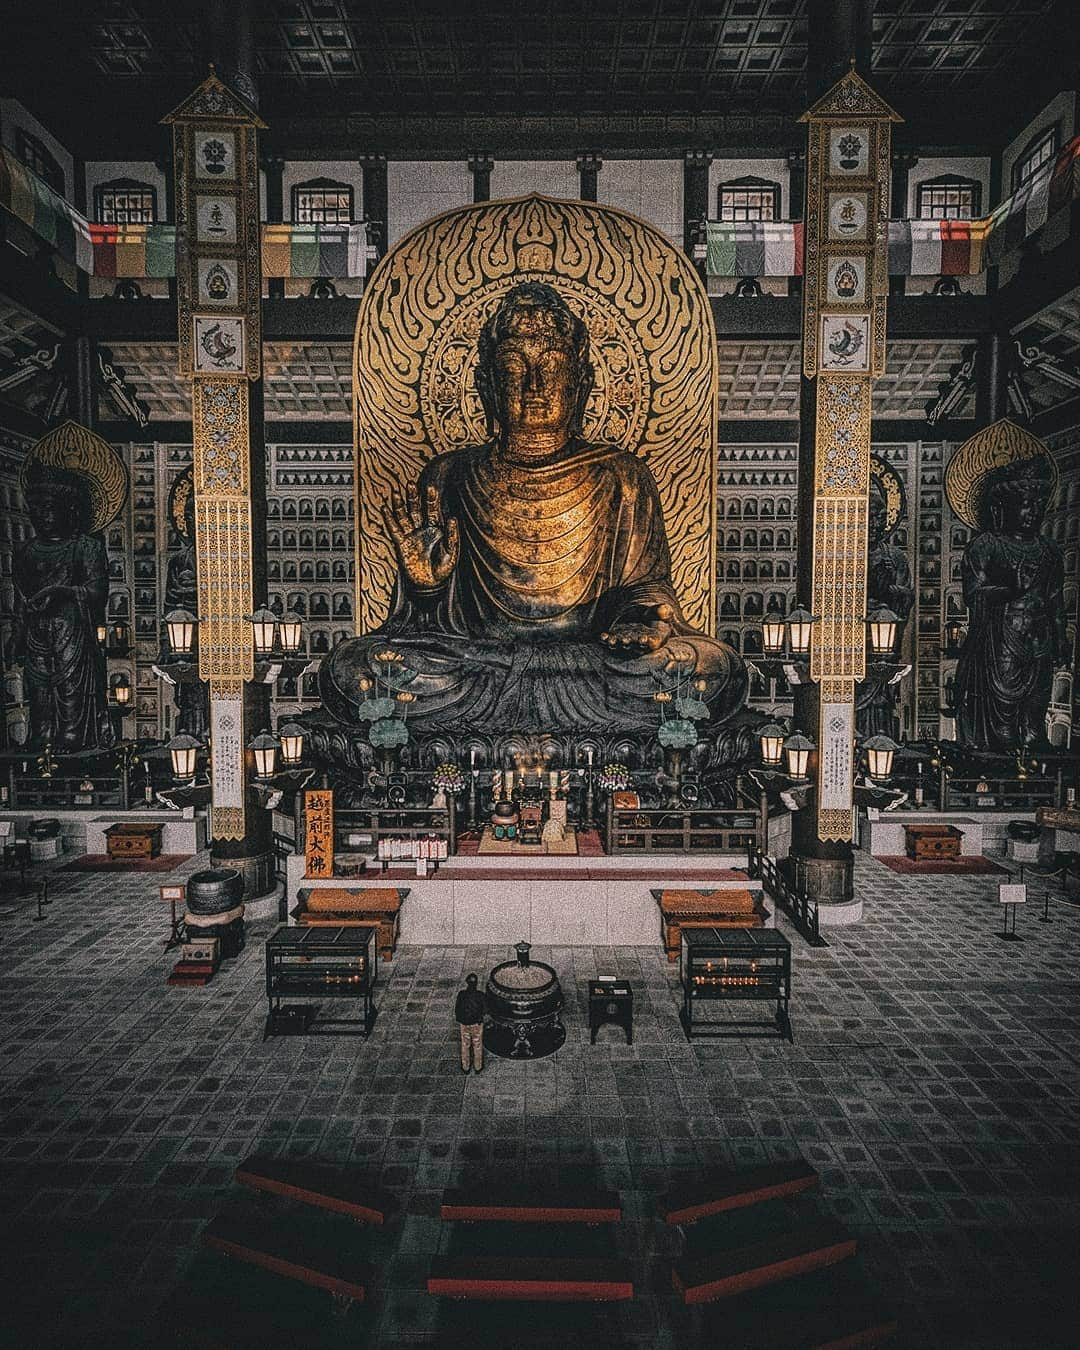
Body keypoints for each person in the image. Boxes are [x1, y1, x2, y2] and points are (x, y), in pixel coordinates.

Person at [320, 282, 746, 733]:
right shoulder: (448, 475)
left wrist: (641, 622)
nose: (535, 386)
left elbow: (648, 589)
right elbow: (420, 629)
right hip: (476, 662)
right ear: (487, 386)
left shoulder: (622, 474)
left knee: (710, 668)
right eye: (512, 370)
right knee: (354, 668)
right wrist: (425, 589)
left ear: (581, 383)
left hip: (592, 662)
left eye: (553, 368)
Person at [955, 457, 1068, 753]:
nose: (1033, 512)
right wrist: (1011, 589)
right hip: (1003, 637)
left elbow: (1055, 598)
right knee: (1003, 718)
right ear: (1002, 509)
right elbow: (973, 595)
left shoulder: (1049, 550)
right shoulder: (987, 545)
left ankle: (1033, 759)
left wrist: (1060, 637)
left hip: (1039, 637)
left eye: (1038, 505)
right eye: (1025, 504)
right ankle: (998, 759)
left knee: (1035, 714)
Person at [11, 464, 115, 752]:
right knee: (39, 689)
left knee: (72, 687)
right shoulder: (24, 551)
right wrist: (17, 633)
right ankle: (42, 736)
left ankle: (73, 736)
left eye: (49, 508)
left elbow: (98, 591)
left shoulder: (85, 547)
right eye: (36, 509)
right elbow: (21, 596)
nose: (43, 516)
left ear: (68, 510)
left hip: (72, 628)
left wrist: (63, 592)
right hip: (37, 629)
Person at [455, 973, 485, 1074]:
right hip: (476, 1024)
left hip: (464, 1024)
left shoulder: (461, 994)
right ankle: (478, 1067)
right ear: (476, 983)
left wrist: (460, 1019)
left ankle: (466, 1067)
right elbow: (485, 1009)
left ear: (467, 982)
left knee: (465, 1044)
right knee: (477, 1045)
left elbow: (457, 1008)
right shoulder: (480, 995)